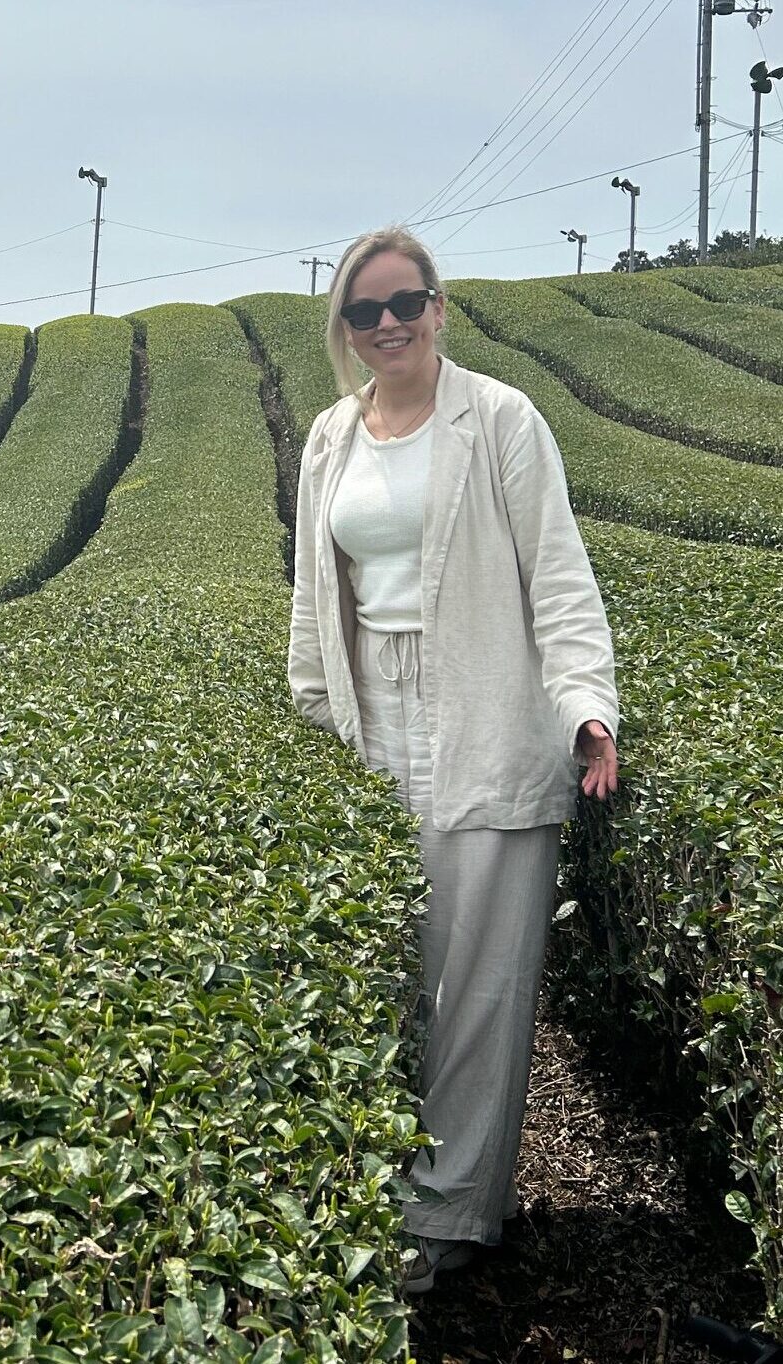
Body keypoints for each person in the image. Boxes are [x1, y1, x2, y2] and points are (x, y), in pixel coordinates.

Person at [288, 227, 619, 1294]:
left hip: (482, 701)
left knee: (480, 977)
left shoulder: (502, 419)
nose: (388, 325)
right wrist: (307, 717)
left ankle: (450, 1218)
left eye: (405, 303)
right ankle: (378, 1180)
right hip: (370, 708)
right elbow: (312, 596)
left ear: (440, 307)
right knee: (394, 966)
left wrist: (586, 710)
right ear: (345, 330)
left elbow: (558, 573)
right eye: (366, 312)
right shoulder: (330, 440)